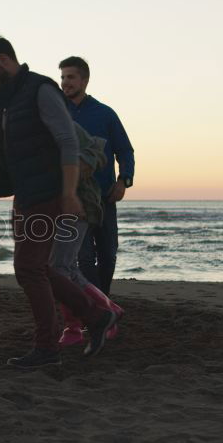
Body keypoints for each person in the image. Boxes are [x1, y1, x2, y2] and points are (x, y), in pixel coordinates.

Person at [0, 36, 118, 368]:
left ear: (4, 59)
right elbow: (0, 140)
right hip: (26, 193)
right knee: (40, 269)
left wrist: (68, 192)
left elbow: (65, 140)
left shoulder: (40, 89)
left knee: (28, 269)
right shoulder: (6, 98)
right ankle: (95, 317)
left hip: (47, 191)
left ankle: (48, 347)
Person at [59, 57, 136, 295]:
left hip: (105, 197)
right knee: (83, 257)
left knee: (108, 255)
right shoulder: (58, 114)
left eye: (70, 77)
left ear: (85, 79)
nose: (65, 83)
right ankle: (97, 305)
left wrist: (124, 181)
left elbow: (125, 150)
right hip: (74, 198)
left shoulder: (105, 114)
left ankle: (103, 300)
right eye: (62, 77)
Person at [47, 123, 124, 345]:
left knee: (60, 268)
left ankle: (81, 324)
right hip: (57, 205)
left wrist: (123, 178)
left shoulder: (64, 124)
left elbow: (97, 152)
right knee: (66, 267)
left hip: (78, 203)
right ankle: (108, 309)